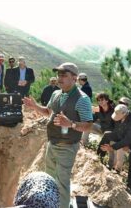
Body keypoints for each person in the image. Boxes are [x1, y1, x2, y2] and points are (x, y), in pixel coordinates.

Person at [23, 62, 93, 208]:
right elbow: (48, 112)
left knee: (61, 183)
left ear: (74, 78)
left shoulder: (83, 99)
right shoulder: (56, 94)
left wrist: (71, 124)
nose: (60, 78)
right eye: (58, 74)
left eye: (64, 75)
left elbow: (88, 125)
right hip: (52, 143)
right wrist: (34, 106)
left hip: (67, 147)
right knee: (49, 180)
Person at [100, 104, 131, 196]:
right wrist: (120, 143)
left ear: (124, 113)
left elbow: (129, 139)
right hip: (125, 138)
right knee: (107, 135)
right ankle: (100, 155)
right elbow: (118, 131)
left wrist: (113, 147)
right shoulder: (120, 117)